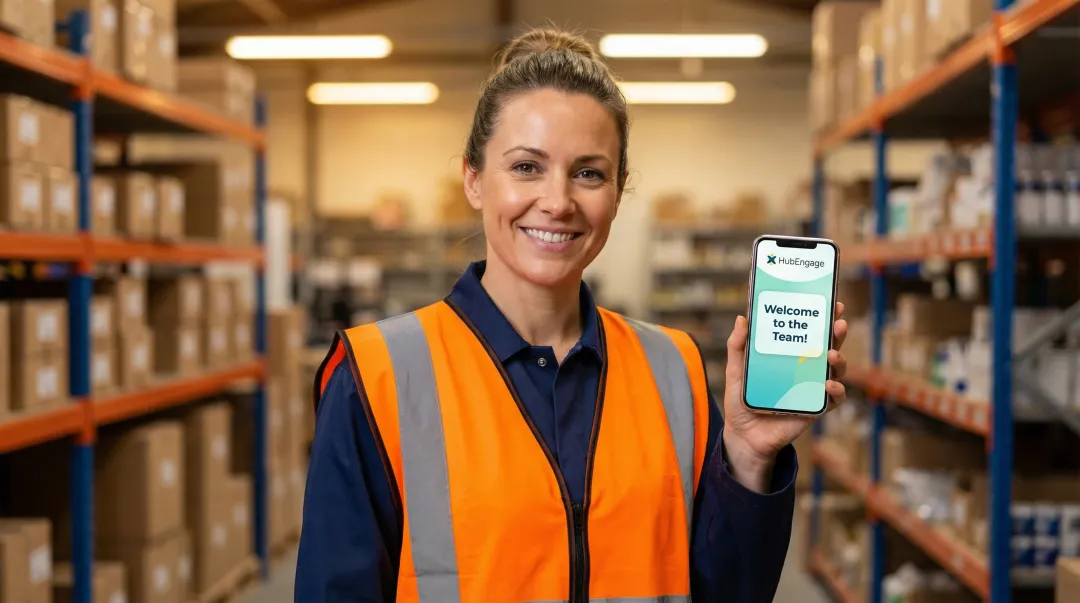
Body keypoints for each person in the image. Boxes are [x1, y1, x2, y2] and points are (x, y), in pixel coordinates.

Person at [296, 26, 849, 603]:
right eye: (526, 167)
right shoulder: (376, 376)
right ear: (474, 179)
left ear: (618, 190)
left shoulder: (674, 369)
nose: (558, 201)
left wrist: (750, 458)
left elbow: (727, 591)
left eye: (588, 172)